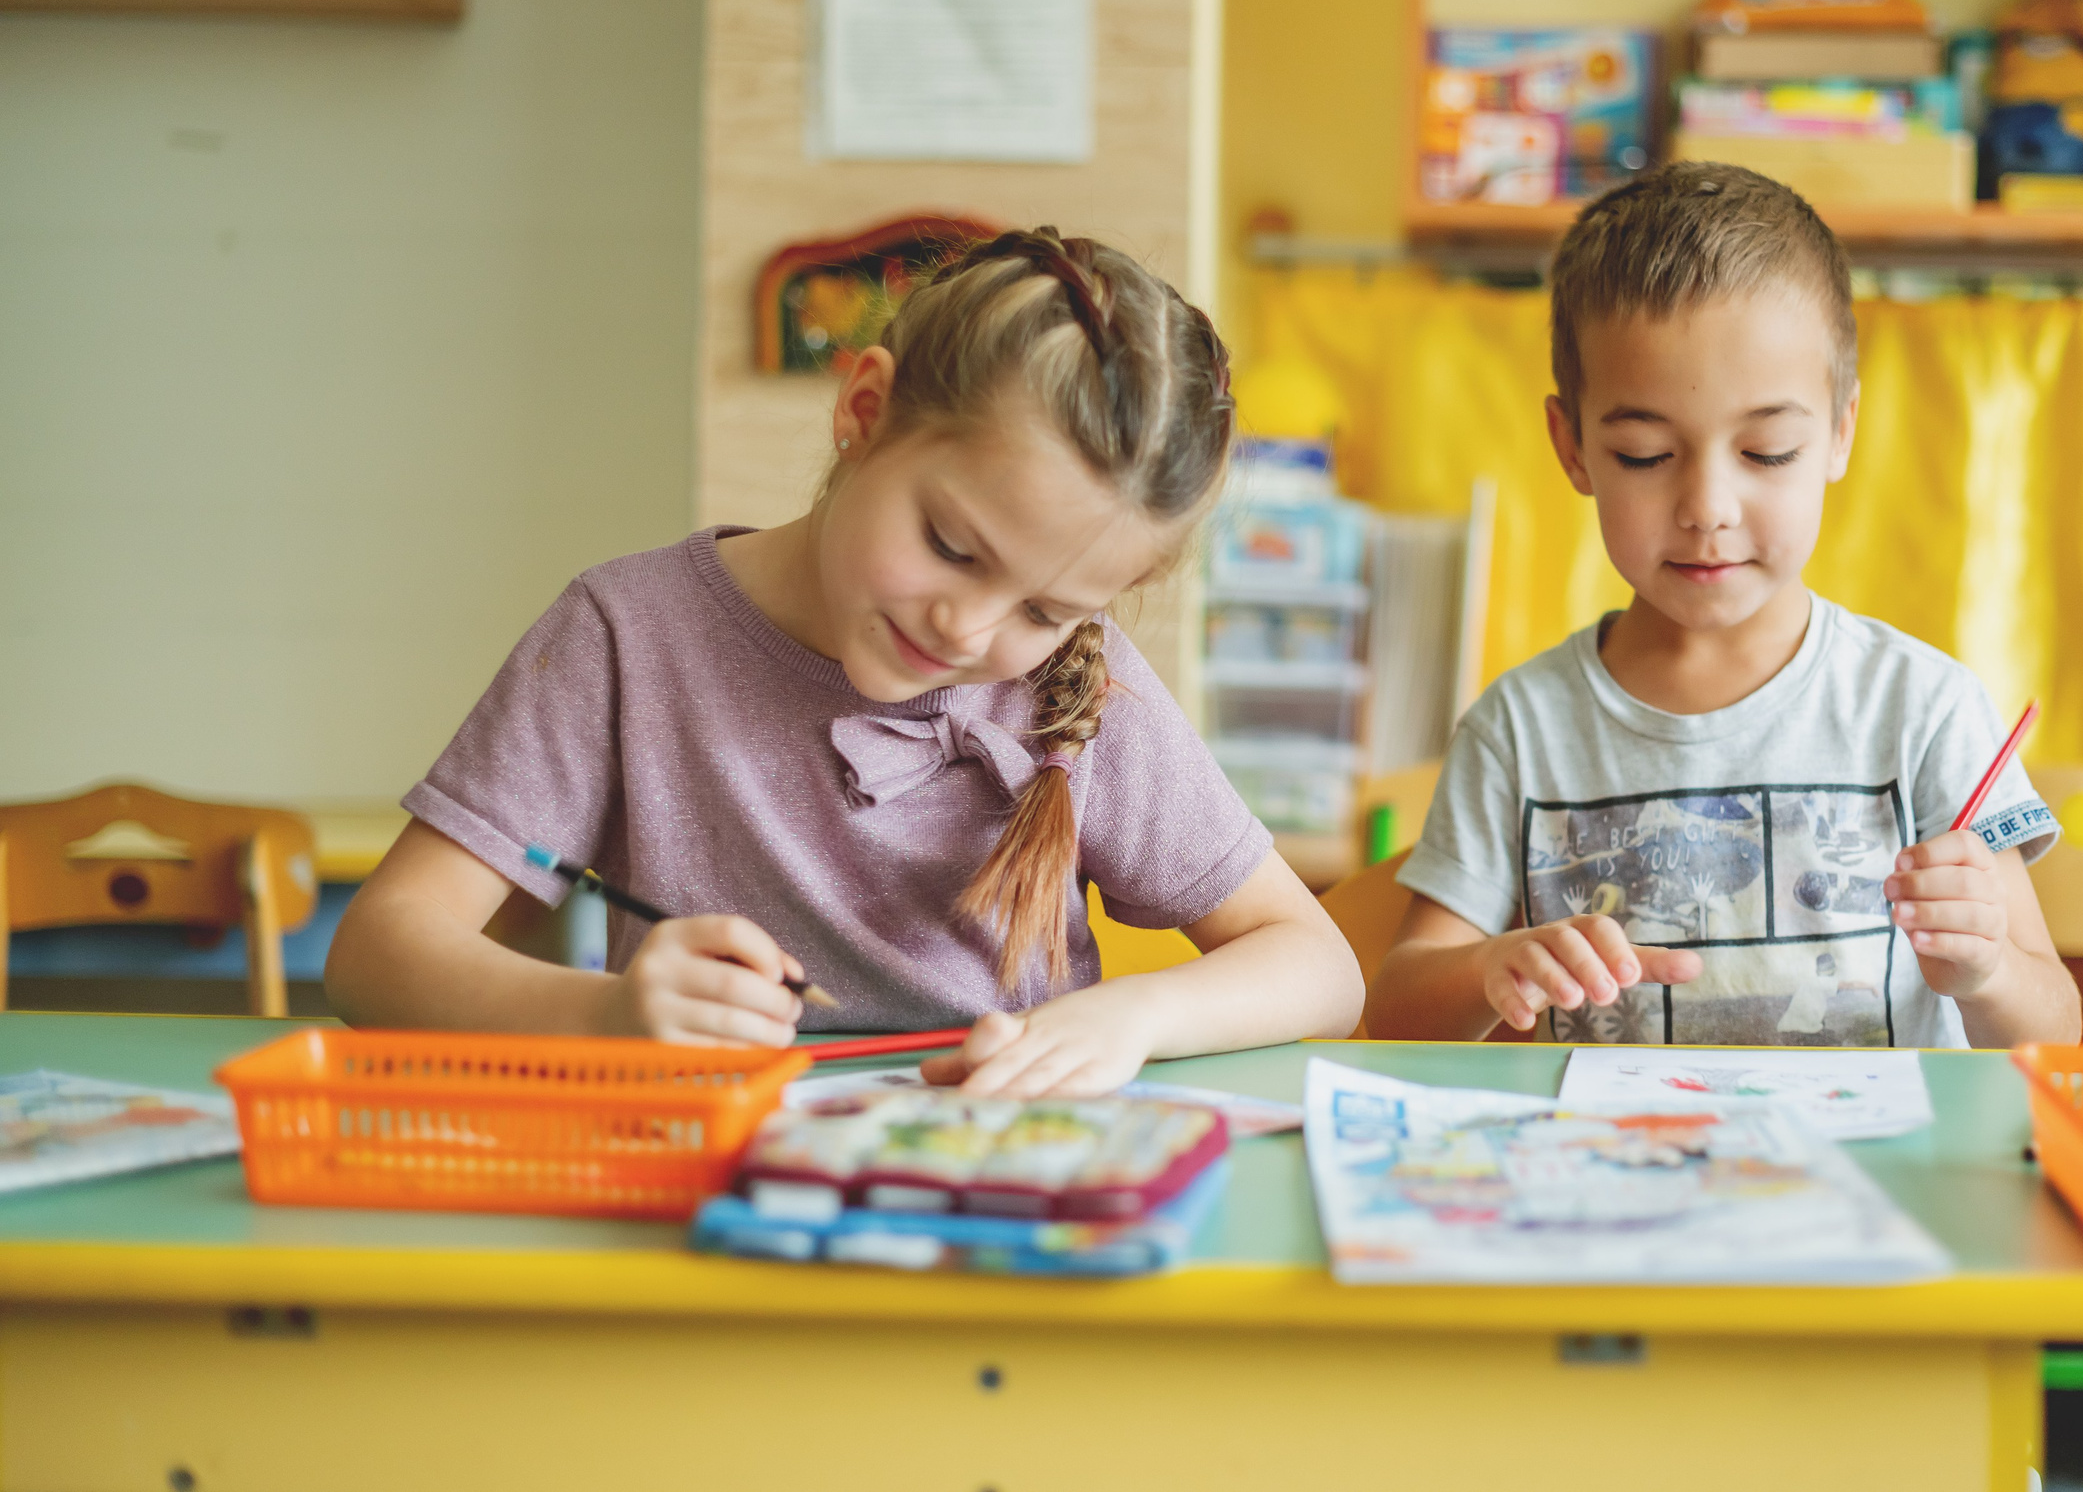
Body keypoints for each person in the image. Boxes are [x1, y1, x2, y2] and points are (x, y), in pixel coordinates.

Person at [328, 228, 1365, 1095]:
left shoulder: (1080, 684)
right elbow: (380, 949)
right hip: (701, 1201)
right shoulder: (626, 633)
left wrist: (1132, 1017)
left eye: (1045, 606)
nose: (967, 628)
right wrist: (607, 1016)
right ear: (864, 414)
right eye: (953, 547)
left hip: (998, 1212)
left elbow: (1319, 965)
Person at [1363, 165, 2080, 1050]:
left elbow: (2057, 1025)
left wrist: (1991, 972)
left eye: (1769, 451)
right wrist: (1489, 968)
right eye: (1644, 453)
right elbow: (1395, 1009)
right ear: (1573, 447)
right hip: (1619, 1175)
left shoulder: (1923, 709)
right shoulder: (1520, 729)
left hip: (1872, 1179)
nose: (1708, 506)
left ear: (1840, 433)